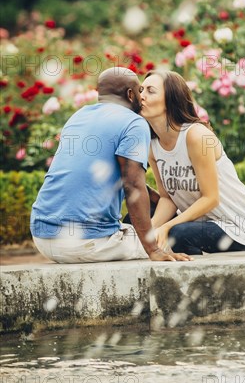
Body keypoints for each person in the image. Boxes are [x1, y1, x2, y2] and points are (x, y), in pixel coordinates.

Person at [30, 67, 192, 263]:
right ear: (130, 94)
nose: (142, 96)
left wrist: (154, 197)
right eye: (139, 90)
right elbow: (133, 185)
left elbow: (92, 173)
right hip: (87, 242)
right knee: (171, 237)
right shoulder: (133, 122)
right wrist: (154, 250)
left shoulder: (78, 116)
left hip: (42, 236)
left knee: (146, 229)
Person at [140, 70, 245, 255]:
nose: (141, 95)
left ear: (171, 99)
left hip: (235, 226)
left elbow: (211, 198)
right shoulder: (153, 146)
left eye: (150, 91)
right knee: (136, 222)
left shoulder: (197, 136)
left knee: (178, 233)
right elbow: (168, 198)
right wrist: (149, 232)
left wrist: (166, 227)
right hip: (199, 222)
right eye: (141, 89)